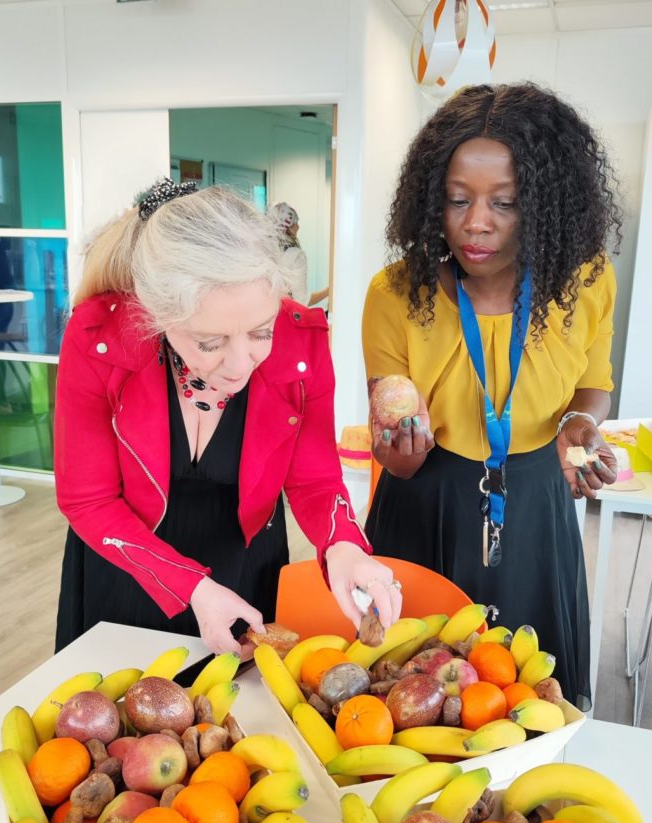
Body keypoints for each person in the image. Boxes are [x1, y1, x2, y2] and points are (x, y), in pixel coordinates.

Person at [55, 179, 400, 656]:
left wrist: (344, 546)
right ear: (155, 315)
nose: (241, 365)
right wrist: (191, 586)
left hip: (245, 563)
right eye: (210, 343)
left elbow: (316, 481)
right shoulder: (99, 337)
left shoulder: (303, 342)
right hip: (130, 562)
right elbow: (88, 500)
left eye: (261, 332)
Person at [362, 83, 622, 710]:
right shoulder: (396, 294)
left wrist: (581, 422)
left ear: (547, 203)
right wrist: (399, 457)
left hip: (537, 498)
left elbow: (594, 381)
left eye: (504, 203)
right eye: (456, 200)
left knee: (529, 697)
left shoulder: (584, 281)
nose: (476, 223)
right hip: (425, 500)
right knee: (411, 700)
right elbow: (389, 426)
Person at [269, 202, 329, 308]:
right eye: (295, 222)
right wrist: (329, 290)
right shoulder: (296, 255)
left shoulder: (264, 251)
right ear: (288, 227)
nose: (298, 227)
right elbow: (301, 301)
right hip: (283, 319)